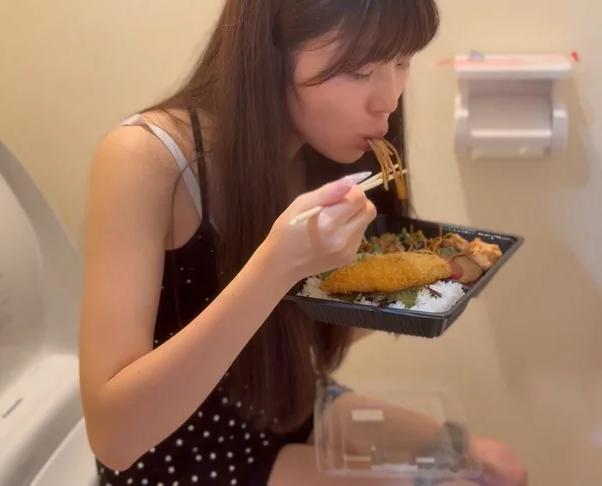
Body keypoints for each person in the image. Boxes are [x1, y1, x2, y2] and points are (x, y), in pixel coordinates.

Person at [78, 0, 528, 485]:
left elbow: (302, 333)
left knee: (498, 468)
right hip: (180, 449)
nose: (388, 100)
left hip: (285, 406)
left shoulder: (322, 152)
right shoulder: (148, 157)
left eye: (402, 61)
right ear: (271, 52)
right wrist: (276, 267)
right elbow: (113, 438)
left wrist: (425, 293)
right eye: (359, 69)